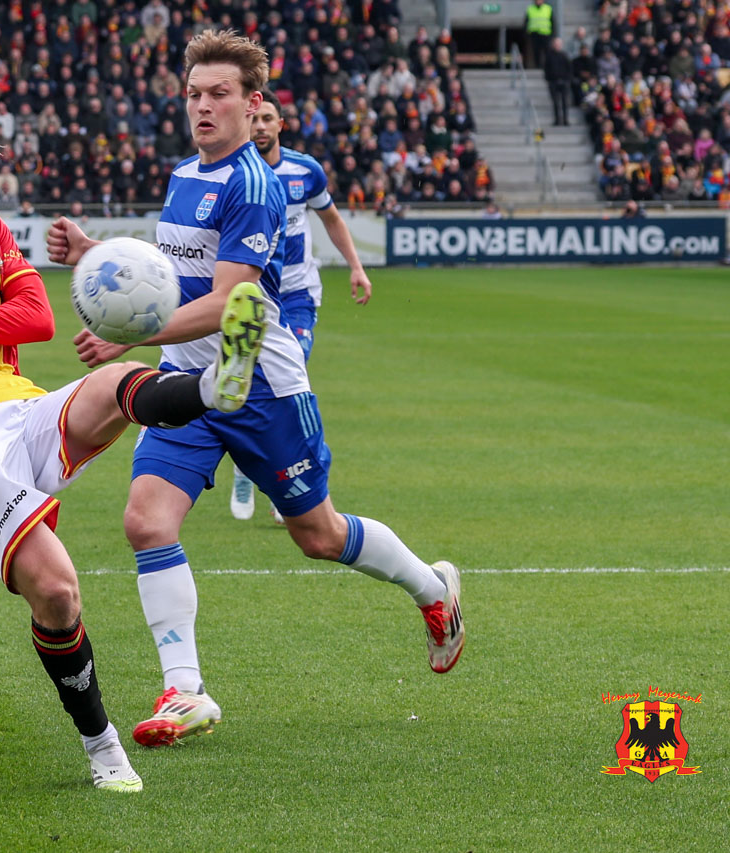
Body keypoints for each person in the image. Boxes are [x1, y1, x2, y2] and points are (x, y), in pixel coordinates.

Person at [48, 29, 464, 750]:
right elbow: (177, 278)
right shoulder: (185, 174)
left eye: (219, 95)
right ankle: (186, 690)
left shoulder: (255, 185)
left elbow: (228, 302)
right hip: (189, 383)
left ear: (253, 104)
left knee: (318, 535)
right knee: (147, 521)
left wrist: (129, 336)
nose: (203, 107)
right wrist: (96, 257)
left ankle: (434, 590)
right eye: (193, 95)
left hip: (261, 382)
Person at [0, 97, 267, 792]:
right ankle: (102, 745)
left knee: (112, 381)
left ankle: (213, 391)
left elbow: (38, 317)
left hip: (17, 407)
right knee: (58, 591)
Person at [228, 89, 374, 525]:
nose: (260, 127)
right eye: (255, 119)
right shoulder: (237, 175)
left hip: (298, 294)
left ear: (279, 125)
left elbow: (331, 217)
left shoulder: (304, 170)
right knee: (251, 378)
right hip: (254, 293)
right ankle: (247, 468)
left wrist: (356, 267)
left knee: (291, 377)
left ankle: (284, 484)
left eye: (267, 119)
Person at [544, 37, 574, 127]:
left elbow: (569, 69)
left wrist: (567, 80)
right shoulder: (549, 56)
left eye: (559, 44)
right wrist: (549, 79)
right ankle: (557, 120)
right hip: (553, 82)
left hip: (564, 82)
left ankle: (565, 120)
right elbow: (546, 69)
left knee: (565, 102)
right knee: (556, 103)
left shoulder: (564, 55)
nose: (557, 46)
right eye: (555, 44)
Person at [524, 0, 553, 70]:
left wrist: (552, 33)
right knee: (536, 51)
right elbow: (526, 22)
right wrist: (526, 33)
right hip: (534, 34)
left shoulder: (548, 9)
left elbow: (552, 21)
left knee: (547, 51)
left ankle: (547, 66)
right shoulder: (530, 9)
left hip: (545, 33)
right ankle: (538, 66)